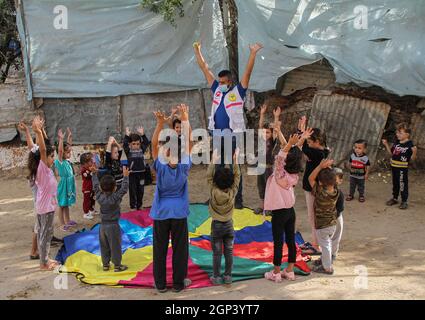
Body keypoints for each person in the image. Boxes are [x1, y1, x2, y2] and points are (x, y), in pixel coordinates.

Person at [193, 41, 263, 209]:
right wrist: (198, 51)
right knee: (216, 166)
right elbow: (205, 68)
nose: (221, 84)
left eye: (224, 82)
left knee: (234, 167)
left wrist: (253, 53)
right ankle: (215, 197)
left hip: (234, 136)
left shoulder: (238, 92)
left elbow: (248, 72)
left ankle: (237, 200)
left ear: (230, 82)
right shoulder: (216, 89)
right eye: (220, 81)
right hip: (217, 134)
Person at [150, 104, 193, 293]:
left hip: (161, 213)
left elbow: (153, 145)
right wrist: (185, 119)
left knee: (159, 249)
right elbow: (190, 142)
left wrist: (160, 124)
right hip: (179, 212)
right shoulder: (184, 165)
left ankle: (160, 284)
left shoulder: (160, 164)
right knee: (180, 249)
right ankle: (178, 283)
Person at [263, 133, 303, 283]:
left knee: (278, 242)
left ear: (284, 162)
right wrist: (300, 139)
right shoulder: (294, 175)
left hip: (279, 213)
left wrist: (289, 145)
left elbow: (281, 157)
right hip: (290, 211)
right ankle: (290, 271)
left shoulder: (279, 174)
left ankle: (276, 273)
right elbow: (295, 155)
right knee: (291, 241)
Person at [207, 148, 241, 285]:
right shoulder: (233, 191)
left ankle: (216, 277)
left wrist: (213, 161)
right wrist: (235, 161)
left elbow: (209, 176)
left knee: (217, 253)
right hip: (228, 225)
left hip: (216, 226)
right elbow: (237, 176)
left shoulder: (213, 190)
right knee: (229, 252)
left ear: (216, 181)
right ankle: (228, 276)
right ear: (230, 182)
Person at [297, 117, 330, 255]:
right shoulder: (324, 150)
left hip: (312, 188)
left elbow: (299, 145)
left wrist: (301, 134)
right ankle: (317, 242)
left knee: (313, 217)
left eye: (310, 142)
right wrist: (302, 131)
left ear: (317, 142)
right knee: (314, 216)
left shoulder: (316, 153)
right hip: (314, 187)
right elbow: (302, 143)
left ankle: (317, 246)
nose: (308, 144)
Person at [32, 116, 60, 271]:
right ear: (44, 158)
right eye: (51, 157)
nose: (53, 159)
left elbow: (44, 147)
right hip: (45, 209)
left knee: (45, 235)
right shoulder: (42, 169)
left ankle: (46, 258)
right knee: (45, 236)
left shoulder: (46, 170)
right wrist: (37, 132)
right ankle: (44, 263)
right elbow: (42, 149)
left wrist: (40, 131)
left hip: (45, 207)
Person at [91, 166, 129, 272]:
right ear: (114, 188)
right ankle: (117, 265)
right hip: (113, 226)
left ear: (101, 188)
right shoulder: (116, 197)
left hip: (102, 226)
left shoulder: (99, 197)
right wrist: (125, 177)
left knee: (104, 245)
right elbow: (124, 189)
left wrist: (94, 174)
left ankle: (105, 265)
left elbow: (95, 186)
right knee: (115, 245)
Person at [308, 159, 339, 275]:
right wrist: (328, 169)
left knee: (325, 245)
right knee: (328, 243)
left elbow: (310, 178)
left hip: (322, 225)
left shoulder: (320, 192)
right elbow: (331, 179)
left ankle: (327, 268)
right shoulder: (336, 191)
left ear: (320, 182)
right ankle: (326, 261)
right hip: (332, 223)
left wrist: (320, 166)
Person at [382, 123, 417, 210]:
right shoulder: (397, 143)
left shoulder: (410, 145)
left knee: (402, 184)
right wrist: (386, 144)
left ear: (407, 134)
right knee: (395, 183)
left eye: (400, 133)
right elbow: (391, 154)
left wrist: (415, 152)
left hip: (402, 169)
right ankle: (395, 198)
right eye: (397, 132)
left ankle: (404, 201)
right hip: (394, 167)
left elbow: (412, 159)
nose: (397, 134)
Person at [255, 104, 282, 214]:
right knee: (261, 187)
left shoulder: (273, 141)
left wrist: (276, 117)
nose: (265, 134)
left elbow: (276, 129)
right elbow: (260, 126)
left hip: (269, 168)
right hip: (260, 167)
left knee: (269, 187)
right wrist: (262, 114)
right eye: (264, 132)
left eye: (268, 132)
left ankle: (270, 207)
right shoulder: (261, 139)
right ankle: (262, 206)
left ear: (272, 134)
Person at [123, 126, 150, 210]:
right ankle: (133, 206)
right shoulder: (128, 151)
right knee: (133, 190)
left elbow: (146, 142)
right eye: (133, 144)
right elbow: (124, 144)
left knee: (141, 190)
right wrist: (127, 135)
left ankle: (139, 205)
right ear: (130, 144)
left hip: (141, 173)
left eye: (138, 144)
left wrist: (143, 134)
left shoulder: (142, 149)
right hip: (132, 174)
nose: (136, 146)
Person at [55, 128, 77, 231]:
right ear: (62, 153)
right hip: (64, 185)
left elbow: (68, 145)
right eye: (67, 152)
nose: (69, 153)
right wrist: (61, 139)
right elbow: (60, 150)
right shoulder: (60, 161)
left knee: (66, 204)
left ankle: (67, 221)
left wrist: (69, 136)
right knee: (62, 205)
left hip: (69, 184)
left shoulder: (66, 159)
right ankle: (61, 223)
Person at [80, 152, 97, 220]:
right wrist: (93, 172)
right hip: (86, 188)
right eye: (90, 161)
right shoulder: (84, 170)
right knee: (86, 200)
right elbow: (89, 176)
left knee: (92, 199)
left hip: (92, 187)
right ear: (85, 163)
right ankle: (86, 213)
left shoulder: (90, 168)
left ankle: (91, 209)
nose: (92, 162)